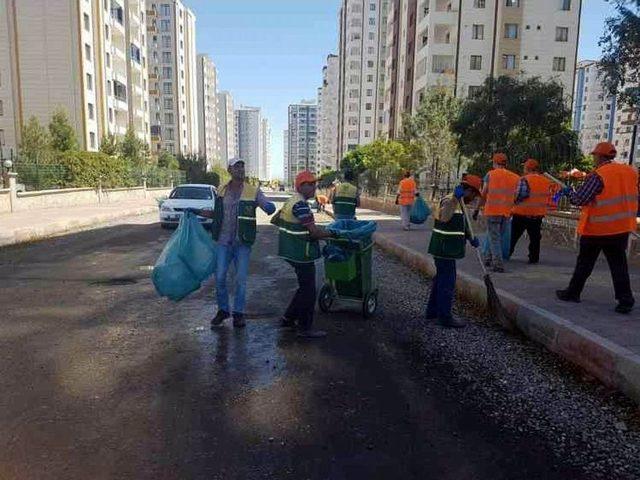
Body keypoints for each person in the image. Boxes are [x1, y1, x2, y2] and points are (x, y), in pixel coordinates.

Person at [556, 142, 639, 314]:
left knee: (585, 263)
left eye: (594, 155)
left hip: (597, 229)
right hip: (621, 228)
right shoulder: (630, 172)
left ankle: (573, 293)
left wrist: (568, 192)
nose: (593, 158)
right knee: (619, 265)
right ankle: (625, 300)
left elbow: (580, 199)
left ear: (599, 156)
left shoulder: (598, 175)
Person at [192, 159, 276, 328]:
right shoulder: (222, 190)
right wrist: (197, 212)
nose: (240, 169)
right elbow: (217, 213)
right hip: (223, 242)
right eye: (237, 166)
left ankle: (238, 313)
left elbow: (267, 205)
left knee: (241, 279)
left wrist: (269, 207)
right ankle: (223, 310)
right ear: (229, 169)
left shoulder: (253, 191)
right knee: (220, 277)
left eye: (242, 166)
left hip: (242, 243)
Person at [278, 171, 335, 338]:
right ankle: (304, 327)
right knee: (309, 290)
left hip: (289, 250)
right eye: (311, 184)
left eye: (314, 184)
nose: (314, 188)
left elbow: (278, 220)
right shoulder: (301, 205)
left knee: (305, 287)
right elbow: (315, 233)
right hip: (300, 253)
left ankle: (288, 318)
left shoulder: (292, 201)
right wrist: (333, 234)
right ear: (301, 186)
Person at [426, 175, 482, 328]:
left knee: (440, 280)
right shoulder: (450, 200)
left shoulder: (460, 202)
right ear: (468, 190)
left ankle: (432, 312)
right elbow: (444, 218)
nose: (475, 198)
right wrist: (455, 200)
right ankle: (444, 317)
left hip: (447, 249)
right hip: (444, 249)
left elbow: (462, 224)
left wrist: (471, 237)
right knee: (447, 283)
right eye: (474, 194)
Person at [478, 153, 520, 272]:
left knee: (494, 237)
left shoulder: (490, 175)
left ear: (494, 163)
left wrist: (477, 207)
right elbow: (516, 195)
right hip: (506, 212)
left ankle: (498, 264)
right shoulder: (515, 177)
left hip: (492, 211)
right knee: (497, 237)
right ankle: (488, 258)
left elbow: (484, 192)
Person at [510, 159, 553, 264]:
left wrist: (512, 203)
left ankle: (507, 253)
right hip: (537, 215)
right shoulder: (546, 181)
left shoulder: (523, 179)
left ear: (528, 168)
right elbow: (548, 198)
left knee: (513, 237)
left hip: (521, 213)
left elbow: (519, 196)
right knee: (535, 238)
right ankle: (534, 258)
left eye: (524, 166)